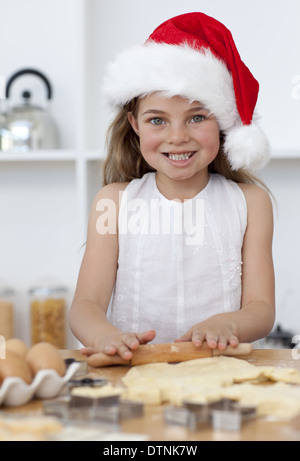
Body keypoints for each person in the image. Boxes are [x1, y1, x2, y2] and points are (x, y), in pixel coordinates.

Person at [69, 12, 275, 362]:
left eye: (197, 117)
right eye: (157, 120)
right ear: (134, 123)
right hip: (133, 374)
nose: (178, 137)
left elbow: (261, 308)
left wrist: (228, 323)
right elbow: (86, 305)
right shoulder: (113, 203)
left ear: (223, 120)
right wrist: (105, 335)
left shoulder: (251, 203)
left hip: (218, 375)